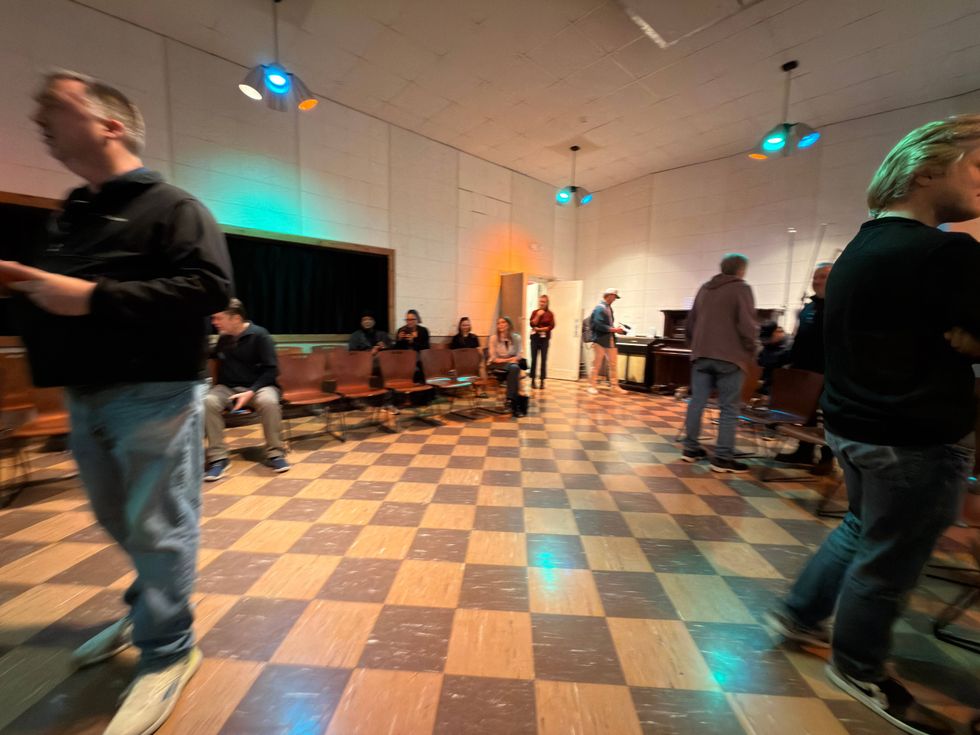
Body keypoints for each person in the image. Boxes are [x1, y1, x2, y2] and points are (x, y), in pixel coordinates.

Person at [3, 70, 232, 735]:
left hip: (154, 390)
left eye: (55, 105)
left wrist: (90, 297)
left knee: (158, 526)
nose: (38, 116)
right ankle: (147, 608)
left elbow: (209, 289)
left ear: (111, 125)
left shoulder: (173, 205)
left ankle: (169, 650)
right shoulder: (71, 214)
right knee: (120, 520)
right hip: (84, 391)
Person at [765, 115, 980, 735]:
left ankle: (800, 612)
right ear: (926, 168)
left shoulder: (857, 251)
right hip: (912, 435)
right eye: (977, 166)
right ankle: (857, 665)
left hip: (853, 426)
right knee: (890, 558)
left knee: (862, 526)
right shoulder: (946, 253)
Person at [681, 254, 758, 473]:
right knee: (729, 408)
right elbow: (747, 325)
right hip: (730, 357)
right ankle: (723, 458)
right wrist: (753, 349)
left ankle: (690, 449)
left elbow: (690, 322)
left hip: (701, 355)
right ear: (741, 270)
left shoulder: (704, 289)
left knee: (696, 402)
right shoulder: (741, 288)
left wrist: (695, 347)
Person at [204, 298, 289, 479]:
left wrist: (251, 391)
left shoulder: (260, 335)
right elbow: (212, 355)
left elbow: (272, 370)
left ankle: (276, 453)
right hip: (228, 388)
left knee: (268, 402)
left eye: (218, 318)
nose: (214, 322)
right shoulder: (224, 338)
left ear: (236, 318)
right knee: (208, 402)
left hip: (258, 386)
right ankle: (218, 458)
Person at [773, 262, 835, 473]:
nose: (816, 281)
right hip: (805, 369)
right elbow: (800, 337)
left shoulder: (840, 305)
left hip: (828, 370)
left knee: (828, 416)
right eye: (815, 277)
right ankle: (804, 451)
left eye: (823, 277)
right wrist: (790, 361)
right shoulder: (809, 307)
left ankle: (827, 457)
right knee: (806, 413)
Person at [588, 288, 627, 395]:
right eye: (614, 297)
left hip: (610, 340)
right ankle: (592, 386)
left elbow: (607, 325)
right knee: (596, 364)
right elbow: (598, 325)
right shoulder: (599, 308)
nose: (615, 299)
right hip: (600, 340)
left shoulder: (608, 308)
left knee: (613, 364)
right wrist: (614, 330)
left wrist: (616, 330)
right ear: (609, 295)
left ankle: (614, 386)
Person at [487, 315, 525, 417]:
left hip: (512, 366)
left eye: (503, 322)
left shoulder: (516, 338)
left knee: (514, 369)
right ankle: (514, 405)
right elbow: (494, 358)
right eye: (498, 323)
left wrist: (514, 360)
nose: (500, 325)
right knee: (515, 369)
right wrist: (509, 360)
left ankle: (510, 402)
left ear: (509, 324)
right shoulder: (494, 338)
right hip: (497, 365)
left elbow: (519, 354)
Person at [529, 294, 555, 389]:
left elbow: (551, 326)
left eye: (544, 302)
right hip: (535, 339)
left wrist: (542, 329)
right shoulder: (535, 312)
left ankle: (542, 381)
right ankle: (532, 380)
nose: (542, 303)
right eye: (540, 301)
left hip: (544, 340)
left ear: (547, 303)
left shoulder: (550, 314)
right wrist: (538, 315)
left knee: (544, 360)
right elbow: (532, 324)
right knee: (534, 359)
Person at [757, 321, 791, 395]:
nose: (765, 341)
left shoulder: (789, 347)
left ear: (777, 332)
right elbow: (760, 363)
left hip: (781, 388)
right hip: (765, 387)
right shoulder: (768, 346)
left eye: (768, 338)